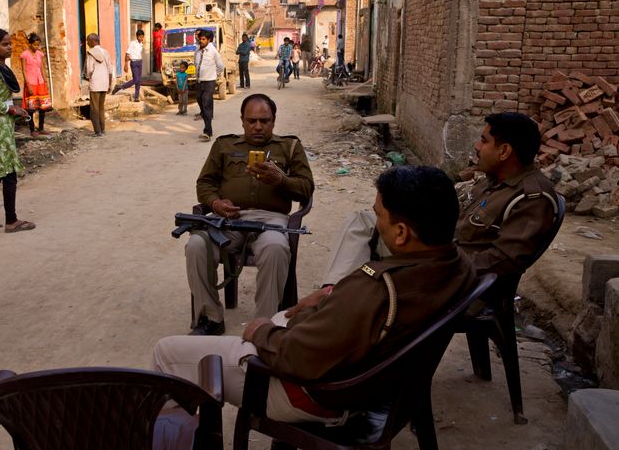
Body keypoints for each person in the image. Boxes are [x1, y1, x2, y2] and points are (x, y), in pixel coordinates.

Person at [155, 166, 476, 424]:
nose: (374, 222)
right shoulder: (458, 264)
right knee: (286, 315)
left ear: (402, 233)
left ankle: (176, 437)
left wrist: (260, 331)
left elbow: (297, 357)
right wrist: (331, 298)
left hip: (318, 393)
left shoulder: (377, 288)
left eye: (379, 215)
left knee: (166, 352)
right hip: (364, 375)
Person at [310, 112, 557, 311]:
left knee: (371, 257)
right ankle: (334, 293)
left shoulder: (532, 197)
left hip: (455, 282)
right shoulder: (492, 182)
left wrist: (434, 262)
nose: (476, 146)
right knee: (366, 220)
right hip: (438, 260)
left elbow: (503, 261)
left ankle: (337, 304)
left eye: (484, 140)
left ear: (504, 151)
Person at [185, 94, 314, 335]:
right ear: (242, 121)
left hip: (272, 221)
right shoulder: (224, 145)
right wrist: (215, 203)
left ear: (273, 121)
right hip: (229, 220)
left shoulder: (290, 147)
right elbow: (205, 183)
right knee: (196, 245)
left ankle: (263, 327)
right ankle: (211, 318)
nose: (257, 126)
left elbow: (307, 188)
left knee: (276, 249)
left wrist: (281, 180)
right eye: (251, 120)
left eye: (264, 121)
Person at [0, 29, 36, 234]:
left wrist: (15, 111)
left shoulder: (1, 68)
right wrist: (11, 109)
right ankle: (11, 221)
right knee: (8, 174)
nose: (10, 47)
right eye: (4, 44)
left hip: (3, 125)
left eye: (10, 43)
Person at [19, 32, 53, 138]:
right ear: (30, 44)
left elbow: (41, 67)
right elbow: (23, 70)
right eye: (34, 45)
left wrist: (45, 80)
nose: (36, 47)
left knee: (43, 106)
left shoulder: (40, 54)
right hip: (31, 82)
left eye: (38, 45)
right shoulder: (24, 55)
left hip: (40, 82)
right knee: (31, 108)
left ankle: (41, 128)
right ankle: (32, 129)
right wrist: (27, 84)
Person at [194, 29, 224, 141]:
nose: (201, 41)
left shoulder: (213, 51)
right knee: (199, 99)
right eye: (200, 39)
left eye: (203, 39)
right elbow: (196, 64)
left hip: (209, 81)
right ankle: (207, 114)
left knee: (206, 102)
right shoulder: (197, 50)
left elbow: (220, 66)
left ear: (209, 40)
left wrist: (214, 75)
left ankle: (207, 132)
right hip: (199, 81)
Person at [84, 33, 114, 136]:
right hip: (105, 82)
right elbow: (110, 70)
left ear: (93, 41)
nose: (87, 43)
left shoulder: (91, 53)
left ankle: (97, 131)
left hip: (95, 83)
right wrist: (110, 84)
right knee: (101, 108)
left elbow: (89, 70)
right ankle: (103, 129)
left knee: (94, 109)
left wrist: (87, 77)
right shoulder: (105, 52)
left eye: (88, 41)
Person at [112, 29, 145, 102]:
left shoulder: (141, 44)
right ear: (137, 37)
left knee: (138, 81)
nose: (141, 38)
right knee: (136, 79)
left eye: (142, 37)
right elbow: (127, 53)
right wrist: (125, 64)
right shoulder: (132, 43)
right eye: (140, 37)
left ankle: (136, 97)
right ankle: (120, 87)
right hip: (134, 63)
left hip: (140, 62)